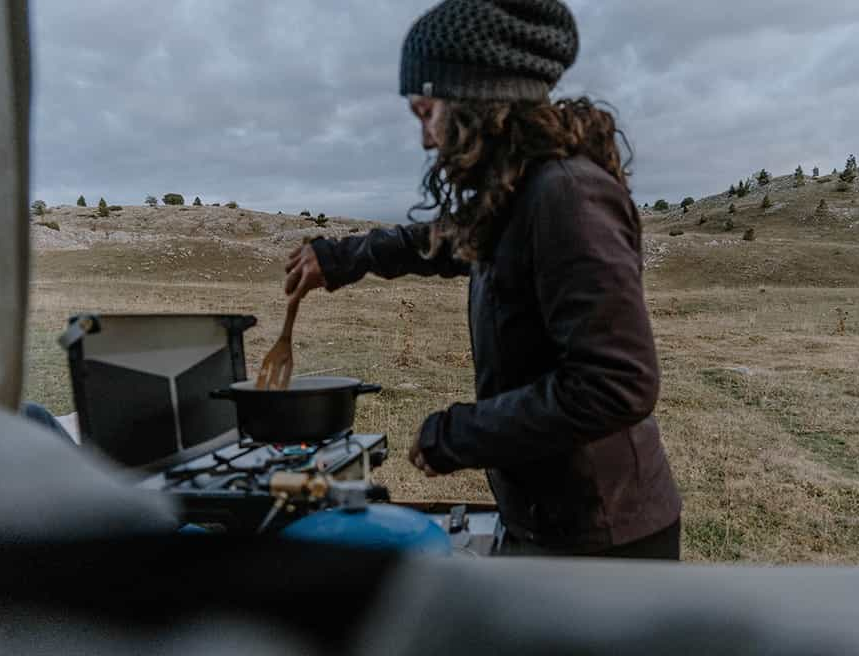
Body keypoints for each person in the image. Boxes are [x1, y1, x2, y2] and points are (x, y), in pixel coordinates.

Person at [284, 0, 681, 558]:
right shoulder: (520, 195)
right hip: (553, 520)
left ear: (474, 99)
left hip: (603, 535)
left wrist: (458, 435)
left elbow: (616, 383)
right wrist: (344, 256)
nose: (425, 139)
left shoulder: (565, 195)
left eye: (426, 112)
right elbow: (444, 240)